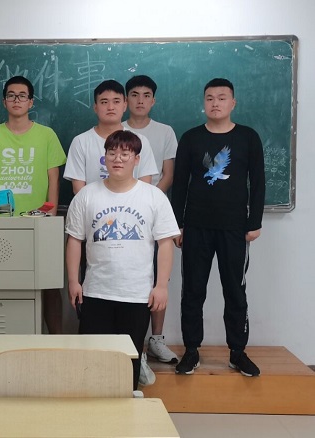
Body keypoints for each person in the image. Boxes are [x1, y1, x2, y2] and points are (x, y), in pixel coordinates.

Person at [65, 130, 180, 390]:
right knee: (92, 359)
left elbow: (165, 244)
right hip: (95, 291)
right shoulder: (86, 195)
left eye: (125, 154)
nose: (118, 159)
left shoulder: (153, 196)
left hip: (136, 294)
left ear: (136, 159)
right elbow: (74, 240)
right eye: (112, 153)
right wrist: (73, 281)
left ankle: (126, 406)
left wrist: (161, 285)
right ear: (104, 157)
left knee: (129, 361)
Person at [171, 78, 265, 377]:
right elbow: (180, 184)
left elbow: (258, 182)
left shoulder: (248, 137)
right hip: (196, 226)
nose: (215, 103)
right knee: (192, 291)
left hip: (235, 228)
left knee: (235, 291)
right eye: (210, 98)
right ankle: (191, 350)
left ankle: (237, 352)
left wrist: (255, 222)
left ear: (232, 103)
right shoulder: (191, 138)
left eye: (222, 98)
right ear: (204, 103)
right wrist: (177, 224)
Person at [0, 75, 67, 334]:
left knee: (49, 284)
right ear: (4, 102)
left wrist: (50, 218)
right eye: (11, 95)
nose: (16, 100)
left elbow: (54, 180)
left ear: (31, 102)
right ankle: (7, 336)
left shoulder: (46, 135)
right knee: (3, 283)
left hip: (39, 223)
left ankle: (56, 338)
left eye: (22, 95)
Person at [123, 75, 180, 383]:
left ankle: (155, 339)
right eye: (134, 94)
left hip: (155, 214)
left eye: (146, 95)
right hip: (122, 216)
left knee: (158, 277)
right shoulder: (117, 130)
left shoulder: (165, 132)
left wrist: (147, 201)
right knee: (130, 277)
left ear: (153, 100)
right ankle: (134, 348)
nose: (140, 100)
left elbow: (168, 174)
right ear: (126, 99)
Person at [64, 79, 158, 194]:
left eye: (116, 101)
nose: (110, 107)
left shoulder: (141, 141)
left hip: (131, 205)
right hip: (92, 205)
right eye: (104, 102)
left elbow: (145, 187)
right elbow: (79, 191)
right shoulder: (80, 142)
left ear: (125, 105)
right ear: (95, 107)